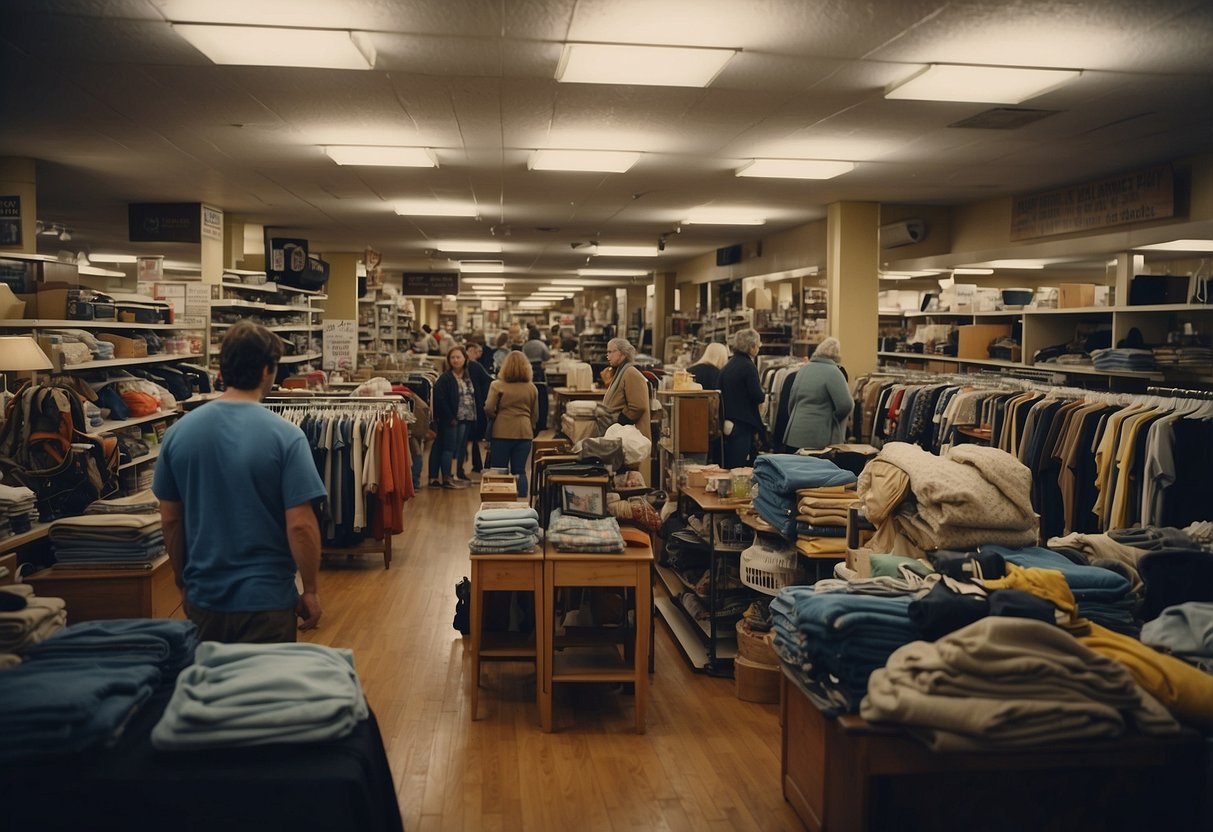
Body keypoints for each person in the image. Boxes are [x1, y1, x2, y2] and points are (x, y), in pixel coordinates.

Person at [152, 321, 326, 643]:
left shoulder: (179, 434)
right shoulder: (287, 437)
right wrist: (311, 590)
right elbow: (301, 525)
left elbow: (171, 521)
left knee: (210, 690)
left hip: (205, 598)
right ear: (265, 371)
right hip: (267, 601)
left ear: (222, 368)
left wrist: (181, 582)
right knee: (262, 692)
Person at [781, 337, 853, 451]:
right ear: (837, 356)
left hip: (794, 434)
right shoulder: (833, 372)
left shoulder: (803, 370)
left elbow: (792, 402)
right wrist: (833, 419)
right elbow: (846, 405)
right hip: (818, 437)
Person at [485, 351, 540, 497]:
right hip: (524, 432)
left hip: (501, 431)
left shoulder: (496, 385)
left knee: (499, 470)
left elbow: (488, 408)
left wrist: (497, 416)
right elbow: (535, 414)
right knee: (520, 470)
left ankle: (499, 500)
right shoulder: (531, 388)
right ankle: (522, 503)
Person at [429, 345, 476, 489]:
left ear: (464, 358)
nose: (455, 360)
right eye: (452, 357)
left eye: (458, 357)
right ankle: (446, 478)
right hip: (451, 419)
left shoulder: (467, 375)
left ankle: (452, 475)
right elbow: (440, 399)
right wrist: (450, 417)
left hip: (466, 417)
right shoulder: (445, 378)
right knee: (448, 448)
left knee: (458, 447)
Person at [719, 328, 765, 469]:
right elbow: (757, 395)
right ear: (751, 347)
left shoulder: (728, 365)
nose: (758, 349)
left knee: (731, 465)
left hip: (727, 421)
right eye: (757, 346)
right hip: (743, 423)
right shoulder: (748, 366)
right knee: (740, 468)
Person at [599, 337, 652, 454]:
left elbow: (638, 406)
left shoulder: (631, 373)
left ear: (622, 353)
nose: (607, 356)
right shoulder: (621, 371)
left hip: (633, 441)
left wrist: (619, 421)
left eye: (610, 352)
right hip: (624, 437)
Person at [458, 341, 492, 480]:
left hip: (463, 407)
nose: (479, 354)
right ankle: (476, 465)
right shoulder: (475, 366)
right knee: (475, 438)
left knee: (466, 438)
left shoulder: (462, 368)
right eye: (477, 351)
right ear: (470, 350)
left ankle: (462, 468)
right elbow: (489, 380)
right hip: (476, 405)